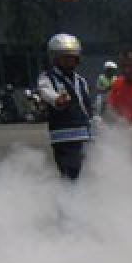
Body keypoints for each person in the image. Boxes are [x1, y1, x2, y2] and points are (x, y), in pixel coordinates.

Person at [36, 33, 94, 179]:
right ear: (55, 58)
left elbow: (85, 107)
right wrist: (57, 99)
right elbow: (45, 92)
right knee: (71, 177)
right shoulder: (47, 77)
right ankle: (69, 201)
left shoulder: (81, 81)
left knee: (88, 176)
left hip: (84, 136)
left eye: (73, 57)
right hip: (63, 139)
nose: (70, 61)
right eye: (65, 57)